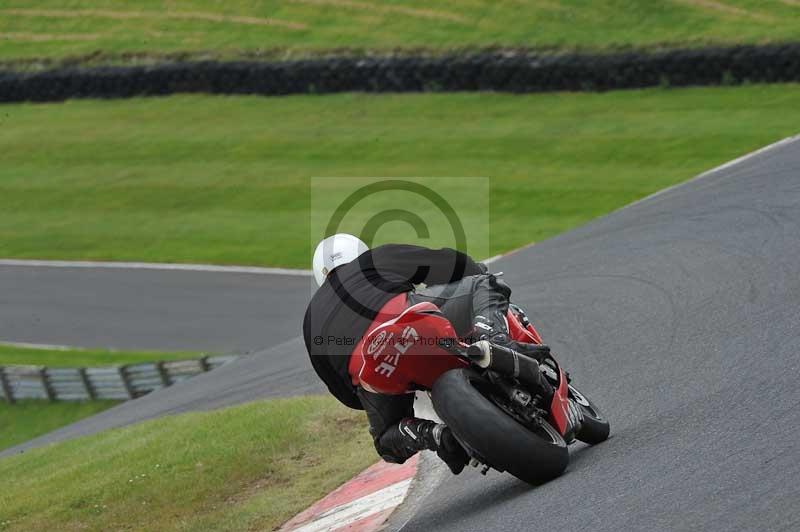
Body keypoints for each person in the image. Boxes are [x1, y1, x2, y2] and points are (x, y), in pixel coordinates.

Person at [302, 233, 554, 474]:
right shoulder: (369, 261)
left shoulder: (310, 319)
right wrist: (473, 270)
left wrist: (377, 392)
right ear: (358, 252)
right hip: (405, 320)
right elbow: (447, 263)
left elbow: (342, 392)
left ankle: (432, 435)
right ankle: (493, 340)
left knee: (385, 439)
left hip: (371, 368)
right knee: (484, 284)